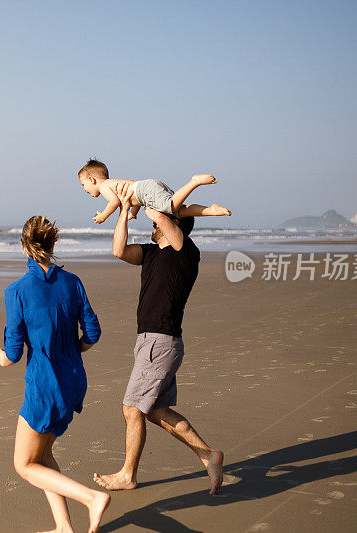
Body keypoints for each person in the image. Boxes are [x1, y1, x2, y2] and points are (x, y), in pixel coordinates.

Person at [92, 191, 224, 495]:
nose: (153, 228)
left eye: (160, 223)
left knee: (132, 409)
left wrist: (148, 195)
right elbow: (118, 250)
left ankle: (128, 474)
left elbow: (159, 215)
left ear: (171, 224)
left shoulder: (185, 252)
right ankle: (208, 455)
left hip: (161, 343)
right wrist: (123, 210)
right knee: (154, 410)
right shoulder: (151, 254)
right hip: (151, 342)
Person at [0, 215, 111, 533]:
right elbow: (92, 333)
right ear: (53, 243)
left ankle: (90, 498)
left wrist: (4, 358)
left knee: (24, 464)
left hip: (45, 387)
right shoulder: (72, 282)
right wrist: (72, 352)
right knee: (43, 455)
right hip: (74, 381)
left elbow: (15, 350)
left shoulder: (17, 291)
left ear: (23, 246)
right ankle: (64, 527)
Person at [77, 159, 232, 224]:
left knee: (170, 206)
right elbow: (135, 197)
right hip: (147, 190)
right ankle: (211, 210)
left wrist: (103, 216)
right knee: (179, 211)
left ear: (92, 180)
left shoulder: (105, 187)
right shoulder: (115, 184)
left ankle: (194, 182)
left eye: (83, 184)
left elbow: (114, 202)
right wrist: (133, 212)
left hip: (147, 191)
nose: (84, 189)